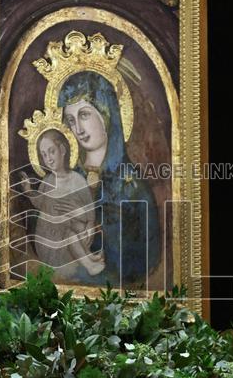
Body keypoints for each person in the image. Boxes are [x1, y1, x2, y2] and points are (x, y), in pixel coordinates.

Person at [58, 70, 160, 287]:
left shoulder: (133, 188)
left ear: (106, 113)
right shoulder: (66, 178)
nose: (78, 129)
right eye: (70, 120)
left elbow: (143, 262)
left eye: (84, 115)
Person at [16, 129, 104, 278]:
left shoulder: (78, 180)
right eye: (44, 155)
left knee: (78, 227)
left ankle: (88, 256)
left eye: (51, 152)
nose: (48, 159)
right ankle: (89, 265)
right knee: (69, 232)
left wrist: (87, 222)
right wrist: (29, 191)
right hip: (49, 241)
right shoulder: (47, 181)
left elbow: (90, 212)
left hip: (74, 237)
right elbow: (40, 203)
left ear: (62, 150)